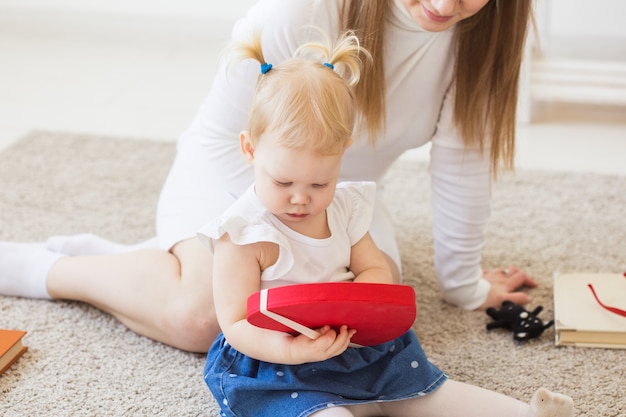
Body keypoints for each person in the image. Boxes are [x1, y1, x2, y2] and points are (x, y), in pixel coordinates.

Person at [1, 0, 538, 352]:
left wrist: (464, 287)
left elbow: (462, 169)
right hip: (238, 172)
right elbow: (244, 137)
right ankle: (55, 269)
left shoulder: (485, 39)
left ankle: (158, 264)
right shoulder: (303, 11)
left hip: (333, 195)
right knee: (205, 319)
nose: (446, 6)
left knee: (362, 321)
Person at [199, 29, 574, 417]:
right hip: (279, 366)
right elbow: (236, 323)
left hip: (355, 347)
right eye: (282, 182)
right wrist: (290, 350)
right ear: (249, 149)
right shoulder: (242, 233)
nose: (301, 197)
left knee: (424, 392)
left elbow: (374, 267)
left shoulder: (344, 208)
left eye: (319, 183)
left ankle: (522, 413)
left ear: (343, 155)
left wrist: (360, 306)